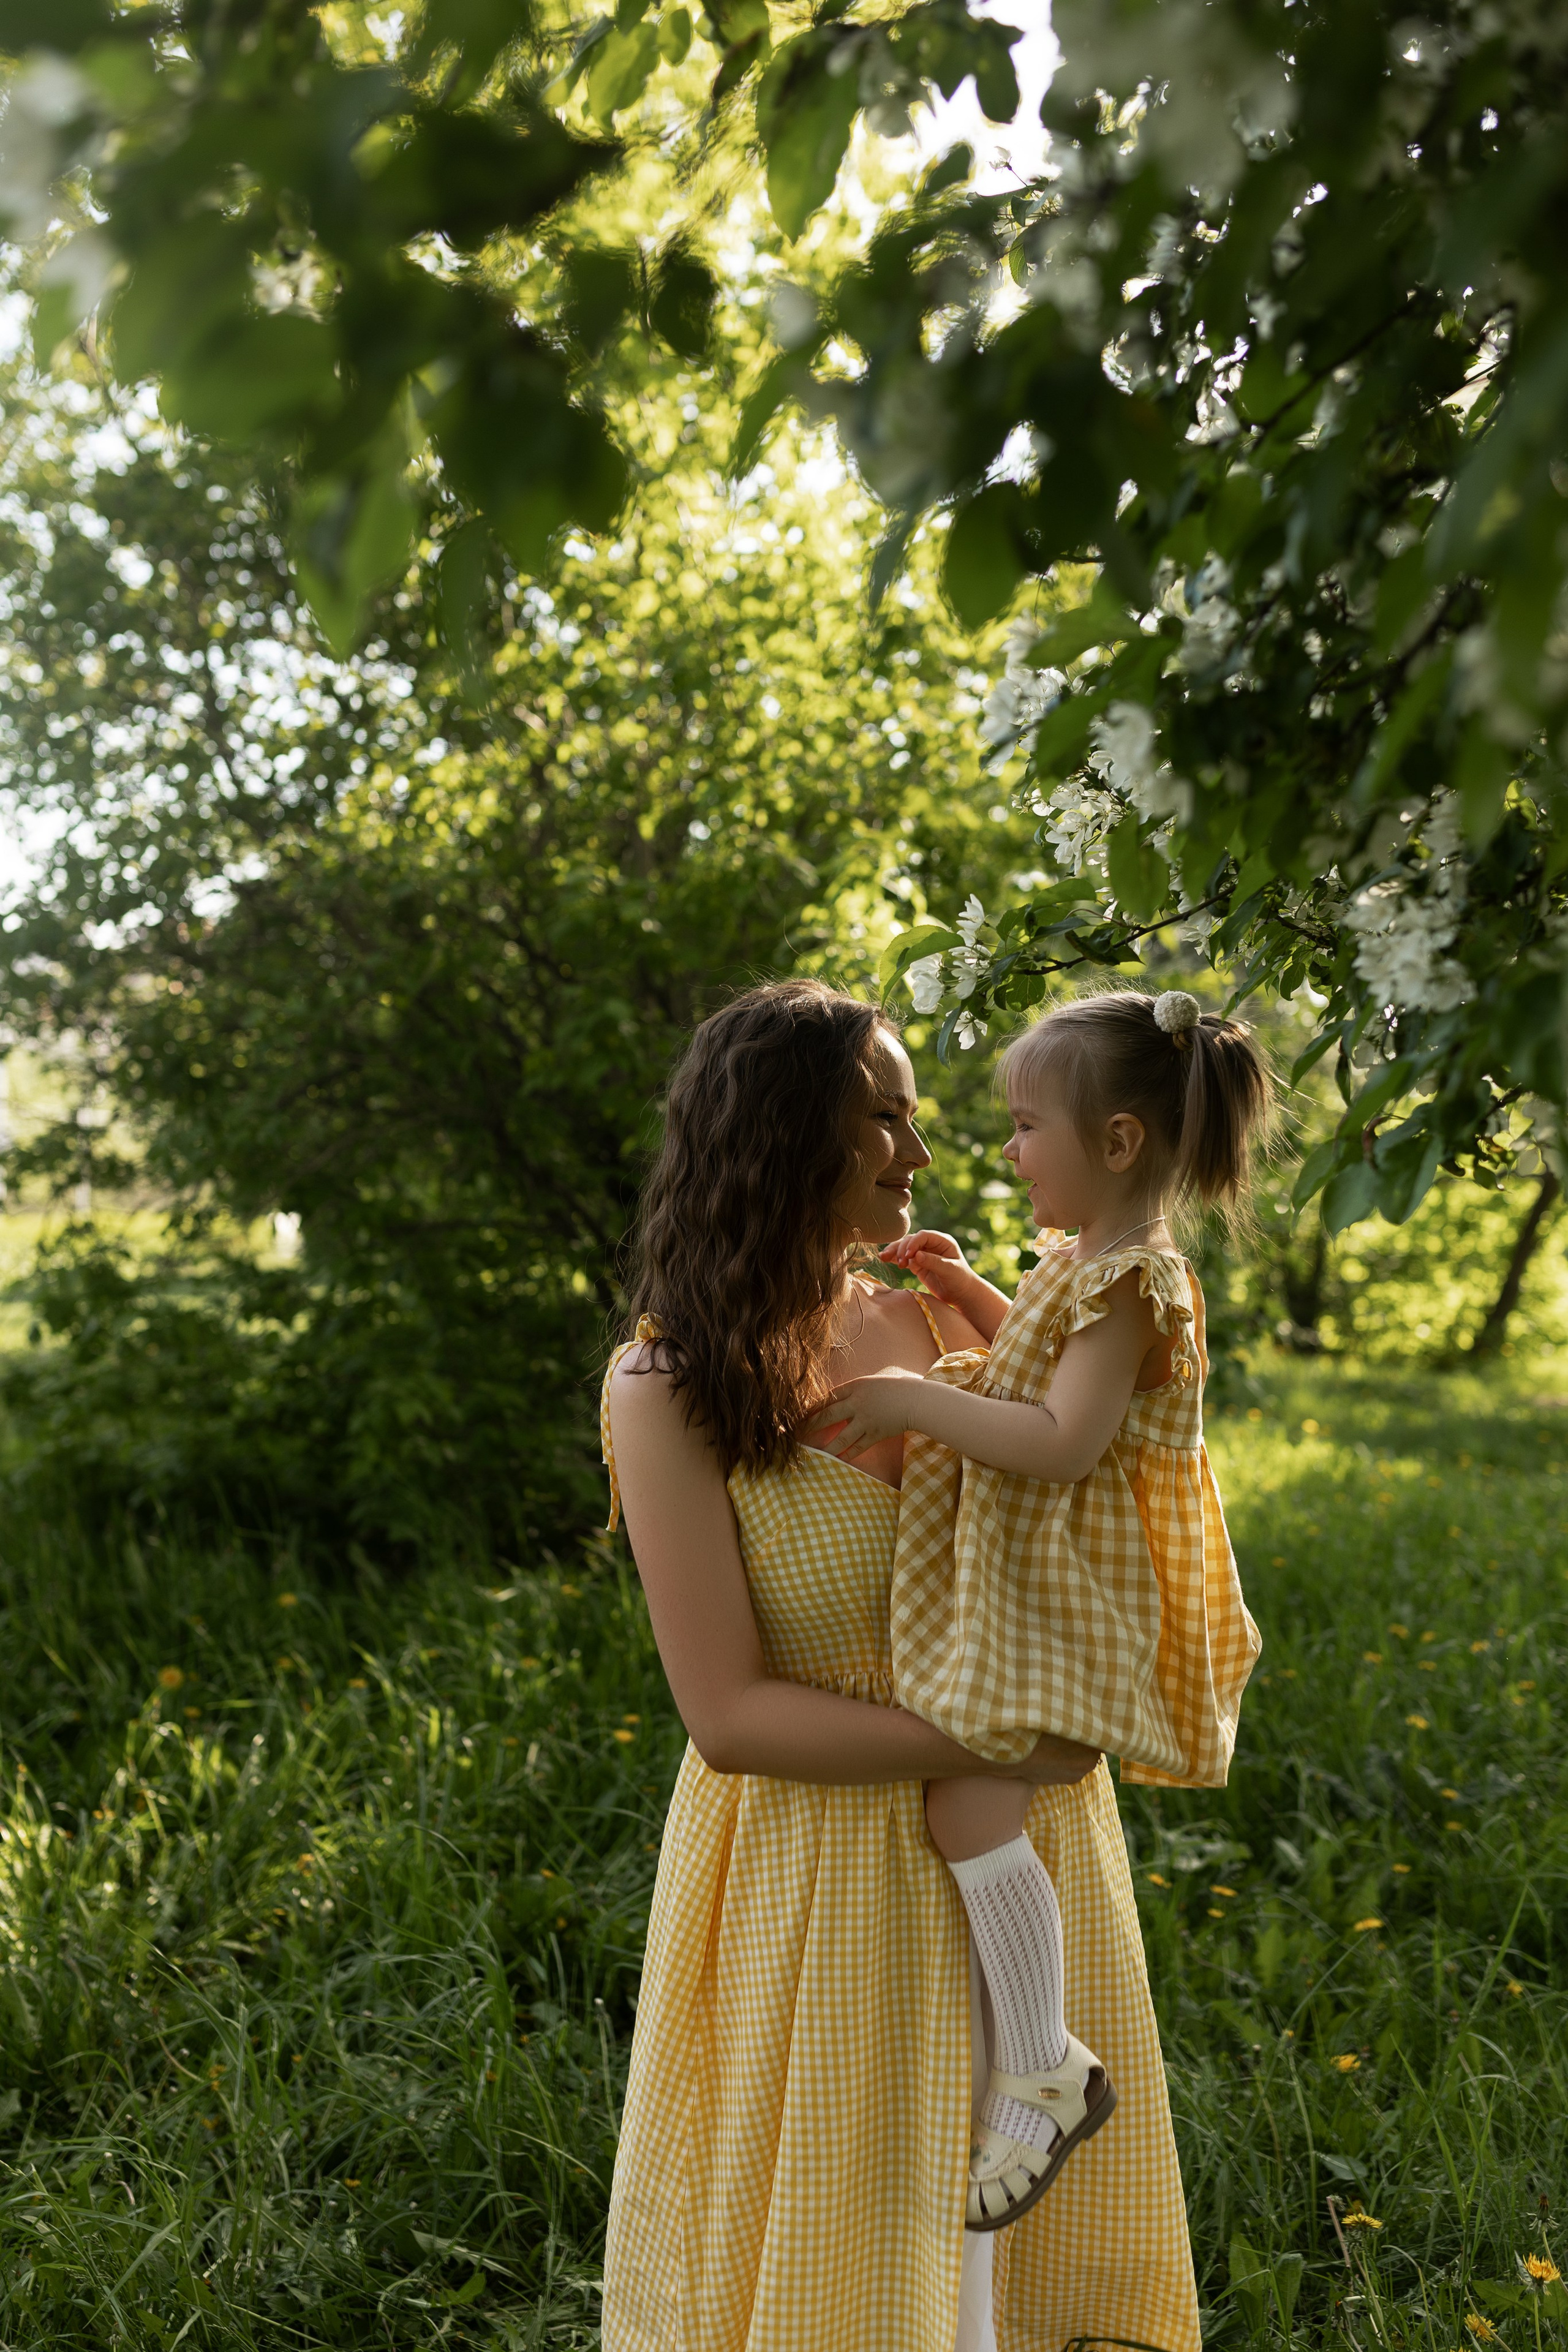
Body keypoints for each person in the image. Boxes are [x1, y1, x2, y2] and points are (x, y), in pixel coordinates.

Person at [600, 978, 1202, 2352]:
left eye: (919, 1118)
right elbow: (729, 1716)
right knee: (857, 2270)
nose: (920, 1159)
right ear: (779, 1133)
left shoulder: (948, 1326)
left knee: (1022, 2279)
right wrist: (996, 1742)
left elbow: (1125, 1483)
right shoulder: (668, 1386)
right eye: (884, 1119)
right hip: (823, 1882)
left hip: (1019, 1853)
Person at [810, 986, 1267, 2234]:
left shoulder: (1135, 1281)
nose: (1003, 1151)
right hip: (1030, 1575)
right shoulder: (1084, 1271)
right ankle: (1036, 2055)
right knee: (967, 1799)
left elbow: (1063, 1441)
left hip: (1070, 1585)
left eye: (1024, 1127)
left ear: (1115, 1144)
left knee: (969, 1800)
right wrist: (966, 1302)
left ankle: (1041, 2064)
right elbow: (1038, 1370)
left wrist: (912, 1399)